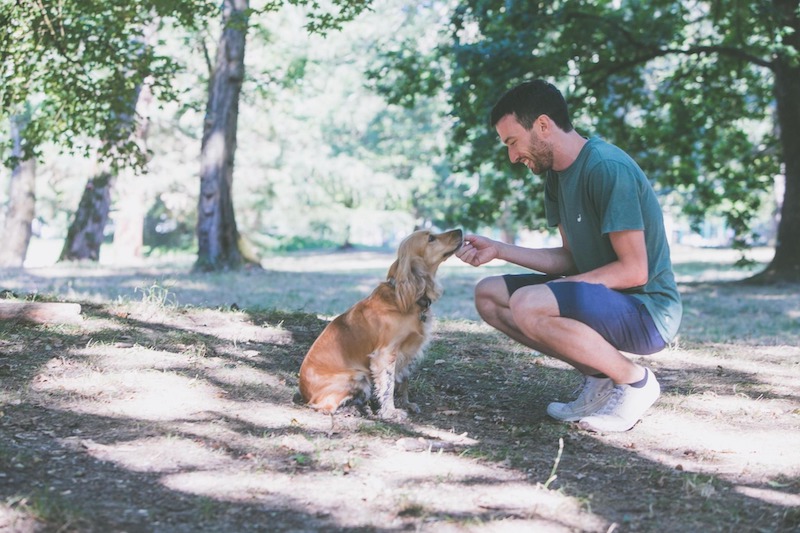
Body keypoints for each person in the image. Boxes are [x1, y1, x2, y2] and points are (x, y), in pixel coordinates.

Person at [456, 79, 682, 432]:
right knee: (488, 295)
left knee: (531, 303)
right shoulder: (556, 179)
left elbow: (636, 271)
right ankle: (599, 379)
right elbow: (570, 258)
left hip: (647, 310)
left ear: (543, 125)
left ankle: (636, 383)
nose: (513, 156)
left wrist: (560, 289)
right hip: (604, 299)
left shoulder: (607, 168)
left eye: (513, 142)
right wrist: (500, 250)